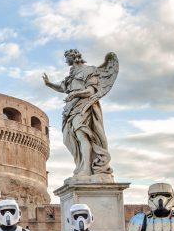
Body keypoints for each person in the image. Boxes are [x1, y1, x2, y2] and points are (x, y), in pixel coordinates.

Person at [42, 49, 118, 178]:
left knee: (82, 135)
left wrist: (75, 94)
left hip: (84, 106)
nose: (66, 61)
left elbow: (90, 91)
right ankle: (81, 165)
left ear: (73, 57)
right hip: (71, 108)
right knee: (70, 139)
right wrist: (49, 84)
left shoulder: (89, 70)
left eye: (67, 58)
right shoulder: (72, 74)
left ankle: (87, 169)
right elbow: (63, 88)